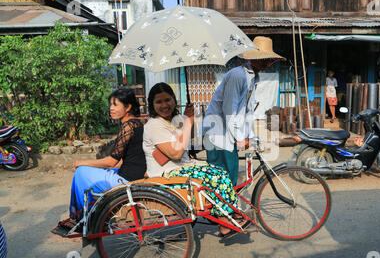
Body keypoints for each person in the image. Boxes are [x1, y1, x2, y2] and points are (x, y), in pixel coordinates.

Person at [142, 83, 248, 238]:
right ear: (152, 104)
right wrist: (188, 122)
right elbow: (176, 153)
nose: (164, 105)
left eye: (167, 100)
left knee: (219, 172)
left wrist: (186, 118)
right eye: (159, 102)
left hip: (181, 167)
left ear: (174, 99)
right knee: (216, 176)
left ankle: (226, 214)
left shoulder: (173, 119)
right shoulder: (154, 125)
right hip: (167, 174)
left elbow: (188, 138)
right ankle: (224, 221)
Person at [53, 88, 147, 234]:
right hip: (132, 173)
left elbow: (111, 162)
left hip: (126, 179)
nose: (111, 108)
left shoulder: (128, 126)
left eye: (115, 105)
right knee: (90, 173)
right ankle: (87, 215)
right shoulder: (136, 123)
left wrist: (82, 162)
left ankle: (81, 219)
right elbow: (121, 160)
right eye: (110, 104)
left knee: (81, 173)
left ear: (127, 107)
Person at [202, 36, 285, 186]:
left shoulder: (254, 77)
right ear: (255, 59)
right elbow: (229, 110)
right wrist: (240, 138)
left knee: (230, 175)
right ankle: (222, 208)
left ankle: (227, 206)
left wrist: (250, 136)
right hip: (218, 132)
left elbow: (247, 111)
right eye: (264, 59)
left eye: (268, 59)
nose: (267, 63)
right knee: (222, 178)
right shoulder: (237, 75)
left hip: (228, 131)